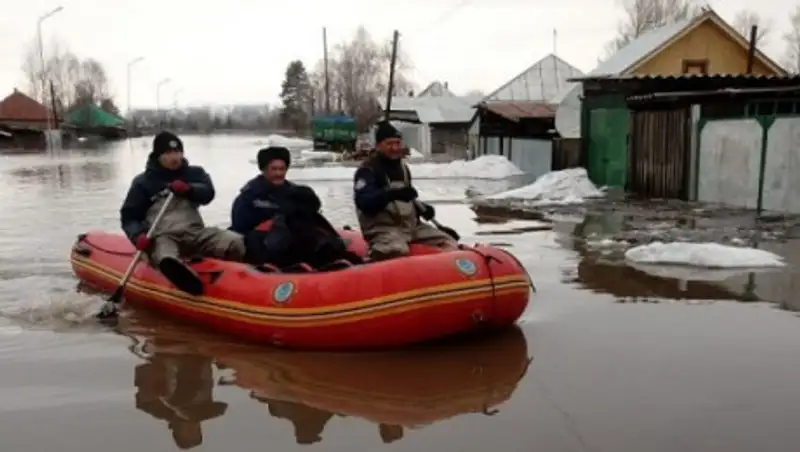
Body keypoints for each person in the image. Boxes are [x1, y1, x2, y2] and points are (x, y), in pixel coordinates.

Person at [120, 131, 246, 295]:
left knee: (235, 241)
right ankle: (185, 281)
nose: (175, 157)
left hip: (195, 232)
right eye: (168, 153)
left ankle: (235, 281)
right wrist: (136, 235)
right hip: (163, 236)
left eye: (178, 152)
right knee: (166, 258)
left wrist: (189, 189)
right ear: (158, 155)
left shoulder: (195, 174)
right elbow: (129, 217)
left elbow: (208, 194)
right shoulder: (143, 183)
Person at [230, 146, 356, 269]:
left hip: (294, 239)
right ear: (264, 170)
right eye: (274, 169)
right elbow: (240, 227)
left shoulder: (294, 192)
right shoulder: (249, 196)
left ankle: (332, 250)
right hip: (265, 244)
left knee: (305, 219)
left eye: (282, 169)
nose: (279, 173)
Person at [352, 121, 458, 260]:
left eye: (397, 143)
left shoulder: (403, 168)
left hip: (411, 228)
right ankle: (370, 264)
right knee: (396, 250)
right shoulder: (367, 170)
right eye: (389, 144)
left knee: (449, 242)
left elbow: (405, 200)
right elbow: (364, 201)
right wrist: (392, 194)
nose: (395, 148)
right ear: (378, 146)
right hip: (383, 230)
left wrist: (422, 209)